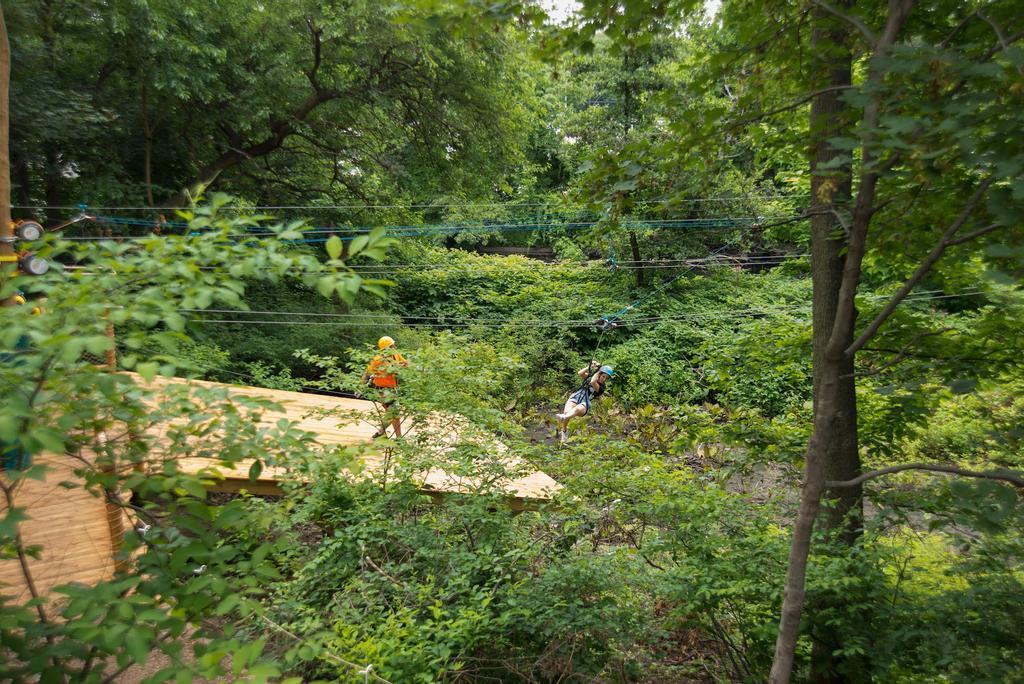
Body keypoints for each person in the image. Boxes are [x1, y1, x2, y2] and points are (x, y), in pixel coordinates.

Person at [360, 336, 409, 437]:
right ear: (386, 348)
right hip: (381, 390)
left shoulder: (396, 355)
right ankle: (383, 433)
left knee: (394, 415)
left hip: (392, 389)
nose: (394, 347)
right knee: (393, 413)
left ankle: (387, 435)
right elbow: (367, 373)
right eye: (392, 346)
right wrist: (359, 387)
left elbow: (405, 364)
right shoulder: (378, 359)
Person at [556, 361, 614, 443]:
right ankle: (564, 431)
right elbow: (580, 373)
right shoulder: (590, 377)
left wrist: (599, 370)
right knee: (567, 412)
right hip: (576, 396)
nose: (604, 379)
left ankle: (564, 417)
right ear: (600, 374)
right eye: (603, 376)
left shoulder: (602, 387)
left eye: (606, 378)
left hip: (585, 402)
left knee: (577, 409)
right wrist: (590, 366)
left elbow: (593, 382)